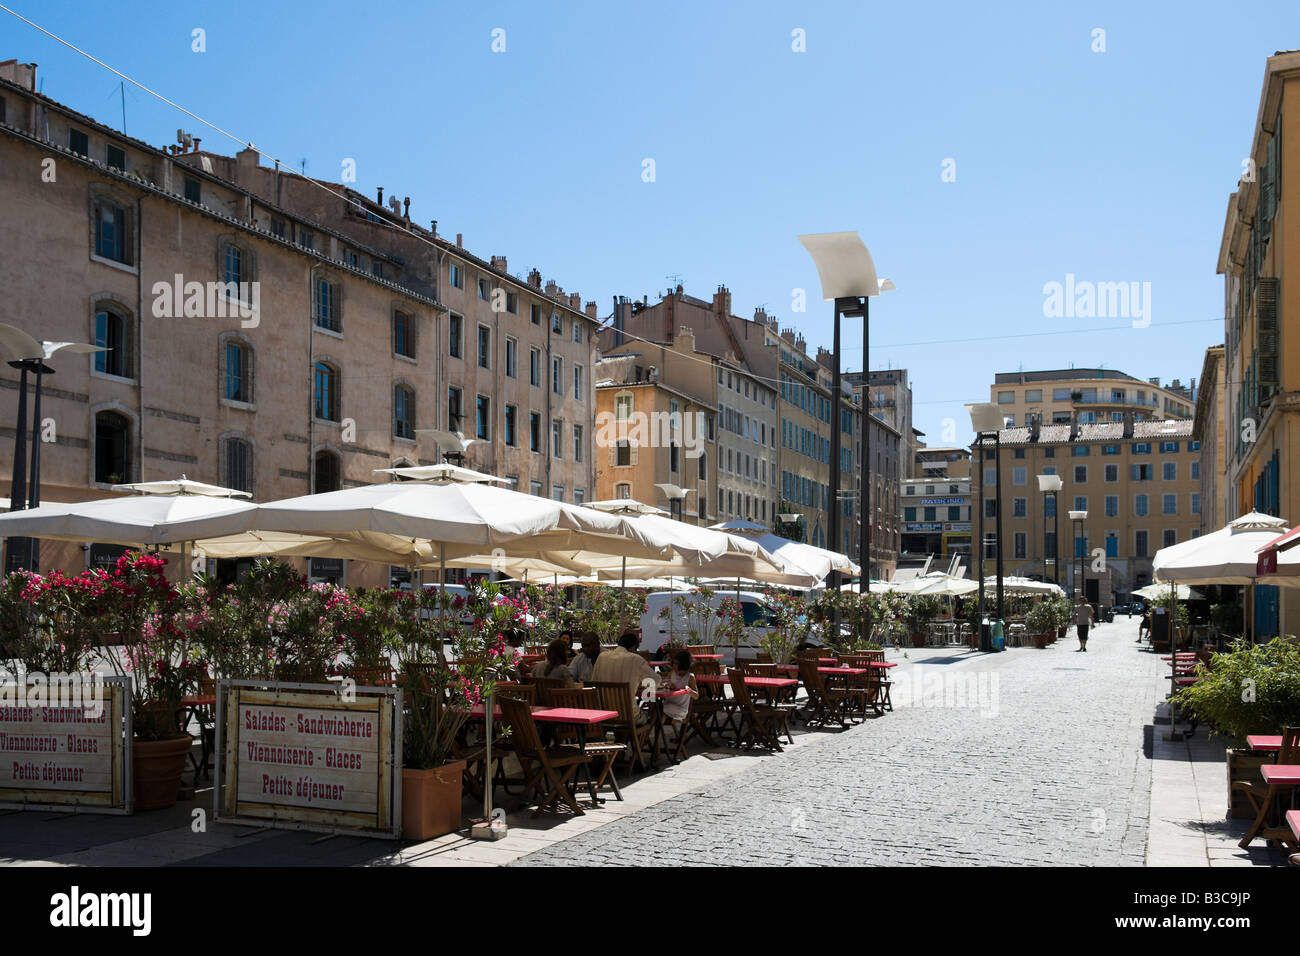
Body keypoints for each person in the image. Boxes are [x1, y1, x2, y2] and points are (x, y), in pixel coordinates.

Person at [592, 631, 659, 724]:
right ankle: (642, 738)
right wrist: (642, 684)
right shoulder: (635, 659)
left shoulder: (602, 657)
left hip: (604, 715)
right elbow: (656, 680)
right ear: (633, 648)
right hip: (629, 716)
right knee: (656, 710)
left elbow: (593, 681)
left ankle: (626, 737)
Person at [660, 649, 698, 738]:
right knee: (658, 710)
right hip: (668, 705)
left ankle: (654, 743)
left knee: (658, 711)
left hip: (681, 710)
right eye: (674, 663)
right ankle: (655, 743)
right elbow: (664, 684)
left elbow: (696, 696)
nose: (674, 666)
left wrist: (689, 691)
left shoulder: (690, 677)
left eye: (677, 664)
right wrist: (667, 686)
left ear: (683, 665)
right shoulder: (671, 674)